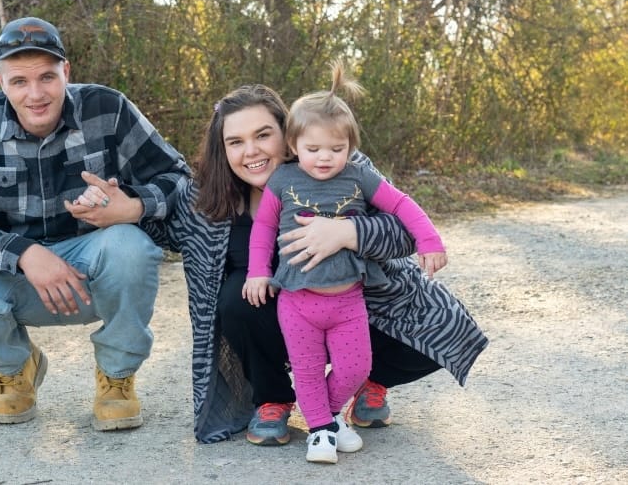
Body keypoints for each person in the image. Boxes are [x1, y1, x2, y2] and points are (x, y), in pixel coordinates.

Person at [143, 83, 487, 445]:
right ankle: (273, 398)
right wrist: (128, 207)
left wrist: (348, 233)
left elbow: (404, 230)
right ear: (223, 149)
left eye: (263, 135)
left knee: (440, 327)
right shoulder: (206, 198)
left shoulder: (339, 165)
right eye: (236, 142)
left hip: (353, 304)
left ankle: (365, 381)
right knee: (235, 299)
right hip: (281, 319)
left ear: (288, 134)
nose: (251, 151)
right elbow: (161, 222)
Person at [0, 17, 191, 430]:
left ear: (66, 72)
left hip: (94, 272)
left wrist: (132, 207)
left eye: (47, 77)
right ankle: (16, 369)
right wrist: (25, 253)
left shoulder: (108, 108)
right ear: (1, 82)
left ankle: (117, 378)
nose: (35, 94)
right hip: (17, 276)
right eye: (19, 81)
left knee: (131, 246)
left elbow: (178, 177)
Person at [241, 60, 447, 463]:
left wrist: (429, 240)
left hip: (347, 299)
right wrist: (258, 272)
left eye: (336, 149)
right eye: (313, 149)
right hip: (298, 301)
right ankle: (320, 431)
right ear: (293, 145)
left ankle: (330, 416)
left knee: (356, 367)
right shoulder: (282, 180)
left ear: (350, 146)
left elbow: (400, 205)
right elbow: (263, 228)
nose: (324, 158)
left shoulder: (357, 176)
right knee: (307, 369)